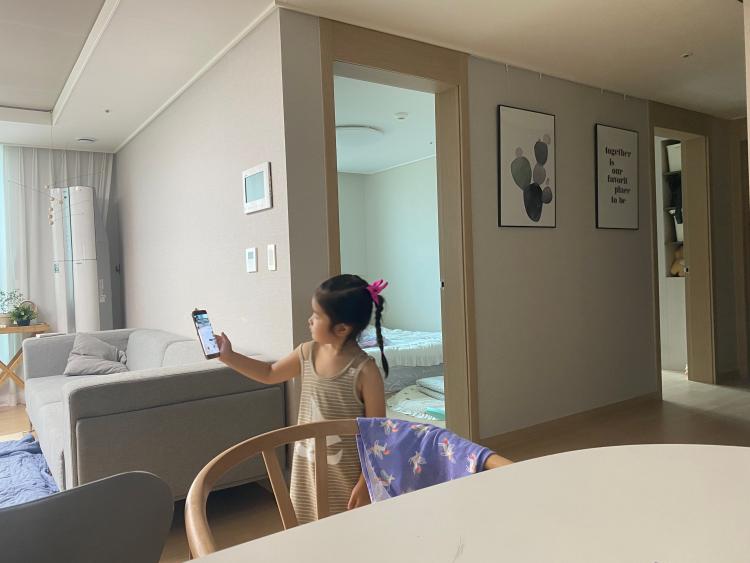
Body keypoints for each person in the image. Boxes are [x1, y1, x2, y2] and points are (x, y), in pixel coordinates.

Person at [215, 274, 388, 523]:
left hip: (346, 477)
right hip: (306, 469)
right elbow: (269, 373)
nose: (310, 320)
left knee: (344, 532)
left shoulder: (365, 372)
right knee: (305, 528)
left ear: (341, 328)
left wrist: (365, 482)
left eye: (317, 316)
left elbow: (378, 434)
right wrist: (229, 356)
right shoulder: (307, 353)